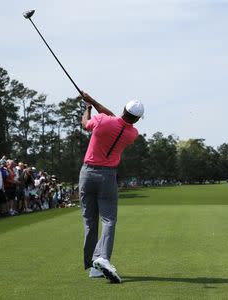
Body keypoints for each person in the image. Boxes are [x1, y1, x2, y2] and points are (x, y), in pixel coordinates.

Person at [79, 91, 143, 283]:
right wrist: (94, 102)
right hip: (107, 176)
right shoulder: (132, 133)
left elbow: (86, 124)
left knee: (90, 221)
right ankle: (103, 258)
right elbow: (118, 120)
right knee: (108, 219)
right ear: (137, 119)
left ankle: (94, 266)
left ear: (123, 109)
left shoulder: (101, 120)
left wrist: (88, 108)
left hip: (86, 174)